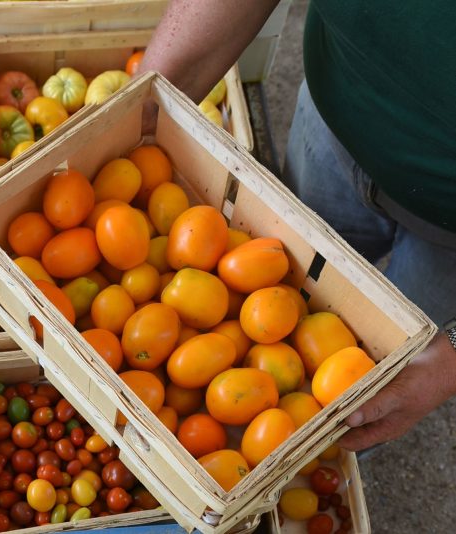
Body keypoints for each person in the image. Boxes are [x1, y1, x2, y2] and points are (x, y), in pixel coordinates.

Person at [140, 0, 456, 451]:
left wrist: (451, 357)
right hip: (334, 121)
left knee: (375, 391)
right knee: (293, 281)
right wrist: (144, 102)